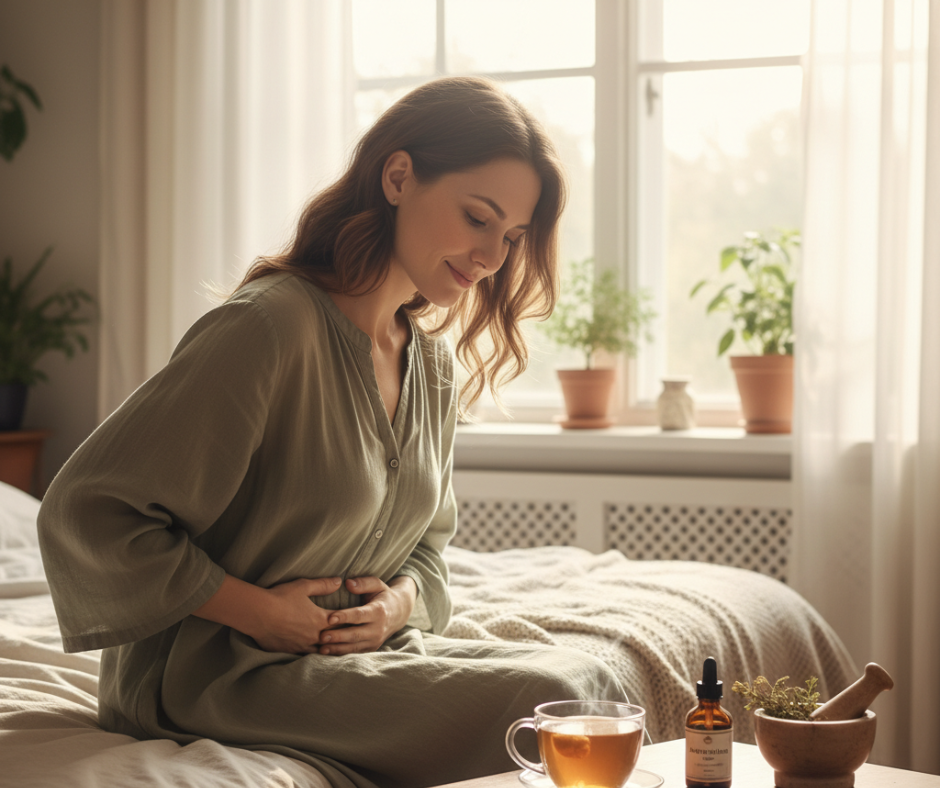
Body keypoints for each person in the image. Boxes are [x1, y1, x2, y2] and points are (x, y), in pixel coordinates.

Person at [37, 76, 626, 788]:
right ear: (399, 176)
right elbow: (90, 511)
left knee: (590, 680)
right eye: (477, 218)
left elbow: (429, 551)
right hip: (211, 676)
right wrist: (257, 611)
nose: (493, 258)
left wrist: (398, 605)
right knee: (533, 708)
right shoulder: (269, 327)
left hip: (349, 660)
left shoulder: (429, 362)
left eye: (510, 237)